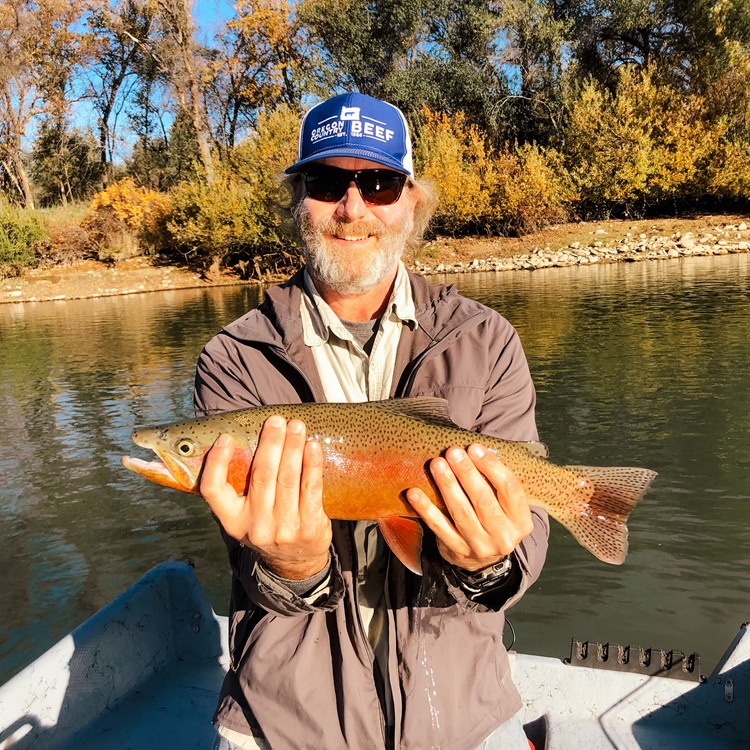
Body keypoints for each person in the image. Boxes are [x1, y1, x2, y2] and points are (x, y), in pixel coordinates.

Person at [194, 92, 549, 750]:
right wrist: (292, 568)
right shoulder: (233, 357)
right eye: (327, 183)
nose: (352, 208)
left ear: (411, 202)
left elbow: (519, 557)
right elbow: (253, 565)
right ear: (297, 199)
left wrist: (486, 566)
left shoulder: (487, 338)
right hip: (289, 723)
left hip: (461, 716)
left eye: (380, 183)